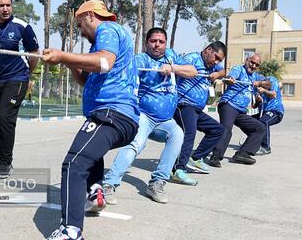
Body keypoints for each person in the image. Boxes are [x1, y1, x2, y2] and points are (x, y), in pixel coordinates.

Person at [42, 0, 139, 240]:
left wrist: (63, 53)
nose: (81, 30)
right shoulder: (102, 43)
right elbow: (87, 80)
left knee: (74, 164)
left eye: (80, 24)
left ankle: (70, 231)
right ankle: (95, 192)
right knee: (90, 152)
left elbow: (103, 62)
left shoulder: (108, 30)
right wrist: (67, 61)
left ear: (89, 16)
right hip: (117, 116)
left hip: (112, 113)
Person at [102, 28, 197, 205]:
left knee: (177, 135)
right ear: (146, 43)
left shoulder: (170, 56)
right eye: (153, 41)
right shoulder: (140, 60)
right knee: (135, 144)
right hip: (144, 116)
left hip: (165, 121)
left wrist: (173, 68)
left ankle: (157, 183)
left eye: (161, 42)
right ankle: (109, 184)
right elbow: (122, 78)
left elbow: (193, 71)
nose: (157, 45)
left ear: (166, 43)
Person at [0, 0, 39, 179]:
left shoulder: (22, 26)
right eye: (1, 5)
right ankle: (1, 158)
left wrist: (27, 73)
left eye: (8, 5)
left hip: (17, 78)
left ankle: (6, 162)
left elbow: (34, 53)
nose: (6, 9)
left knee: (4, 117)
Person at [172, 42, 226, 180]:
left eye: (220, 60)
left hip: (197, 108)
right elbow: (176, 69)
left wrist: (218, 73)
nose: (217, 62)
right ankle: (177, 169)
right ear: (208, 50)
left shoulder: (212, 65)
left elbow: (225, 71)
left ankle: (196, 158)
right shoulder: (191, 59)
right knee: (189, 133)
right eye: (216, 57)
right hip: (183, 104)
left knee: (217, 129)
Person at [207, 54, 271, 167]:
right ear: (247, 60)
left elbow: (269, 84)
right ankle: (215, 157)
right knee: (226, 129)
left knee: (259, 128)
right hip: (229, 105)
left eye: (257, 64)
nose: (253, 65)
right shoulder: (238, 69)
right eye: (252, 62)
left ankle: (242, 154)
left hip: (241, 111)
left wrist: (260, 83)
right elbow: (229, 79)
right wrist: (230, 80)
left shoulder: (255, 76)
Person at [254, 76, 284, 155]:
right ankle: (253, 143)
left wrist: (264, 91)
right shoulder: (257, 87)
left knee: (263, 122)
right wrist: (258, 101)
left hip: (276, 111)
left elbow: (273, 94)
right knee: (251, 122)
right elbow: (255, 106)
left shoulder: (272, 80)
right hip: (265, 112)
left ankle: (266, 148)